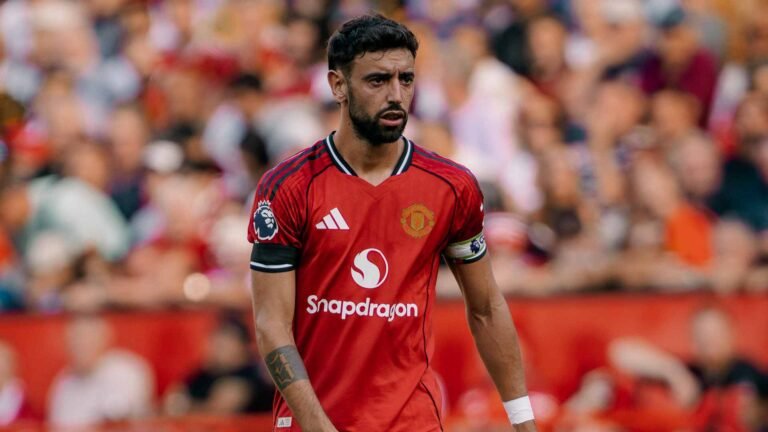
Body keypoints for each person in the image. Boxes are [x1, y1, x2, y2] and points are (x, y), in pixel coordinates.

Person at [246, 14, 535, 432]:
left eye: (406, 79)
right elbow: (271, 322)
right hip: (315, 422)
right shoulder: (289, 187)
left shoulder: (451, 187)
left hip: (410, 421)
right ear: (338, 85)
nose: (397, 95)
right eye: (378, 80)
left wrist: (523, 422)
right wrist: (316, 424)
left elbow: (487, 308)